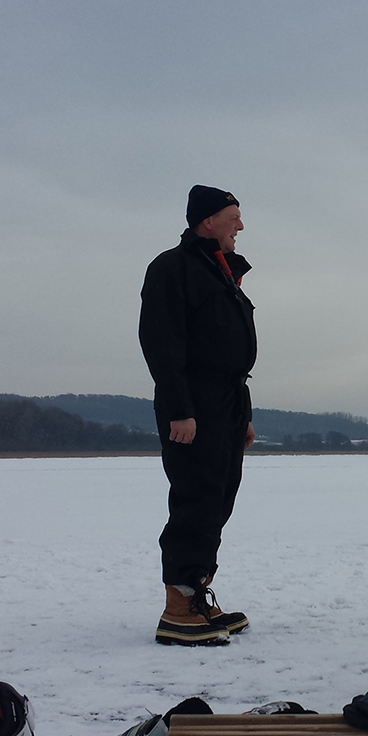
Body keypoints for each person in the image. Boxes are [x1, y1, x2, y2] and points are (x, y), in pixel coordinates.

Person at [138, 185, 257, 646]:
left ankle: (197, 592)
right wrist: (181, 411)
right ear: (208, 221)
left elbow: (230, 355)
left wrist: (243, 415)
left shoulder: (221, 272)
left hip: (227, 403)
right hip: (194, 405)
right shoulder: (172, 268)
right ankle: (178, 607)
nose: (240, 226)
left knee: (219, 498)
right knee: (196, 498)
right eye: (234, 216)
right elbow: (162, 344)